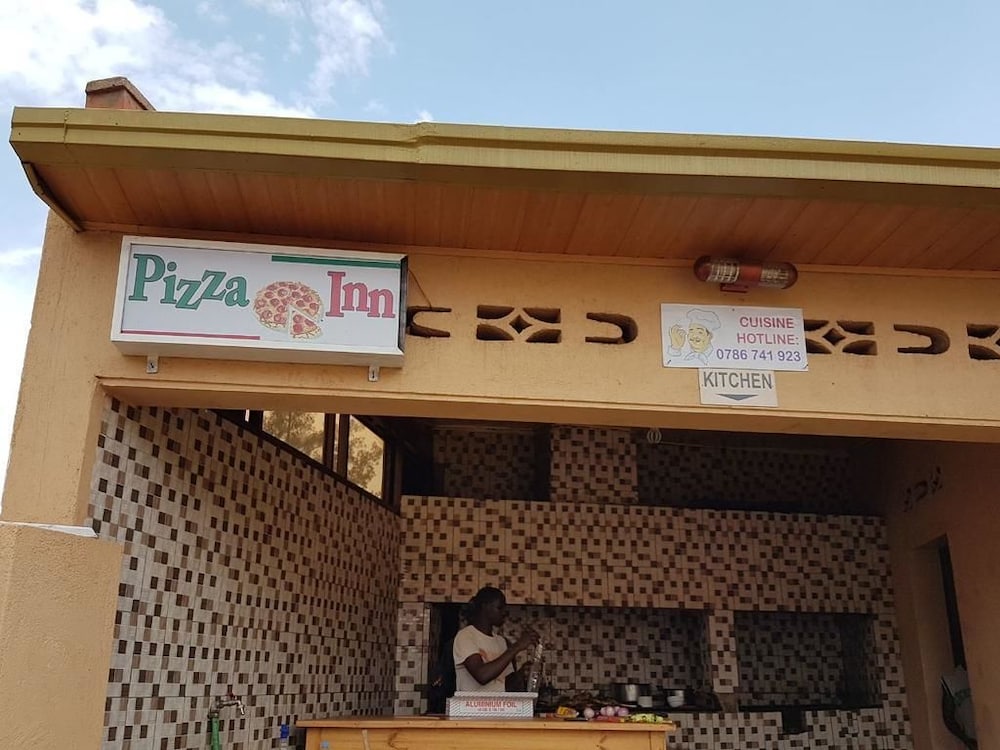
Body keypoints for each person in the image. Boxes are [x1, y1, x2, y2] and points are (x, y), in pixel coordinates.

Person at [452, 586, 538, 692]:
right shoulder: (466, 636)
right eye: (500, 607)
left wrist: (522, 673)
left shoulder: (502, 642)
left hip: (500, 702)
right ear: (485, 607)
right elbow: (482, 676)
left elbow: (506, 684)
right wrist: (517, 646)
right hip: (473, 703)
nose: (504, 612)